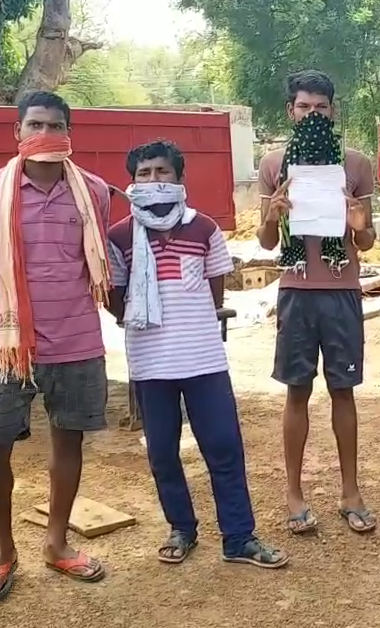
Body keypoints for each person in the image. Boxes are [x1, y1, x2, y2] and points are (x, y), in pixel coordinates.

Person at [106, 139, 288, 569]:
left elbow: (213, 293)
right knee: (163, 453)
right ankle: (181, 528)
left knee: (224, 447)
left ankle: (239, 537)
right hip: (151, 365)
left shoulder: (203, 229)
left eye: (162, 172)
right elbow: (116, 301)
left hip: (204, 361)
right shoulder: (118, 237)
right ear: (132, 183)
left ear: (179, 179)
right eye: (144, 173)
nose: (154, 180)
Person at [0, 91, 112, 601]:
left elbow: (95, 263)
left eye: (55, 124)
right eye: (34, 124)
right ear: (18, 133)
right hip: (7, 347)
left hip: (76, 339)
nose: (44, 133)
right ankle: (4, 552)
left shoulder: (92, 191)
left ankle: (56, 543)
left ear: (70, 134)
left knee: (68, 441)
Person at [256, 69, 378, 534]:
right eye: (303, 107)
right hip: (296, 292)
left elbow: (364, 243)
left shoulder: (355, 165)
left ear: (333, 110)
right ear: (291, 111)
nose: (312, 114)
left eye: (320, 107)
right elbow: (267, 243)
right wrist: (273, 212)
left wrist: (359, 221)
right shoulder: (273, 165)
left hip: (342, 289)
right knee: (297, 392)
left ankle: (350, 491)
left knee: (343, 390)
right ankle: (294, 493)